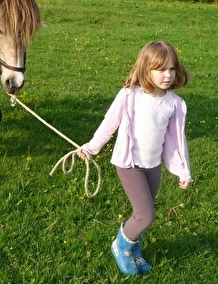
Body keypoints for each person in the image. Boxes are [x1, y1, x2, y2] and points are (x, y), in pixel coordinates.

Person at [77, 40, 192, 275]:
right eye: (160, 69)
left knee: (141, 212)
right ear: (145, 69)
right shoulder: (130, 96)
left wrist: (183, 170)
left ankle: (134, 249)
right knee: (146, 215)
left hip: (153, 165)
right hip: (129, 164)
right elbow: (109, 124)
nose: (168, 75)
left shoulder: (175, 104)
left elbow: (175, 142)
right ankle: (121, 246)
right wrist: (91, 147)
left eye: (171, 69)